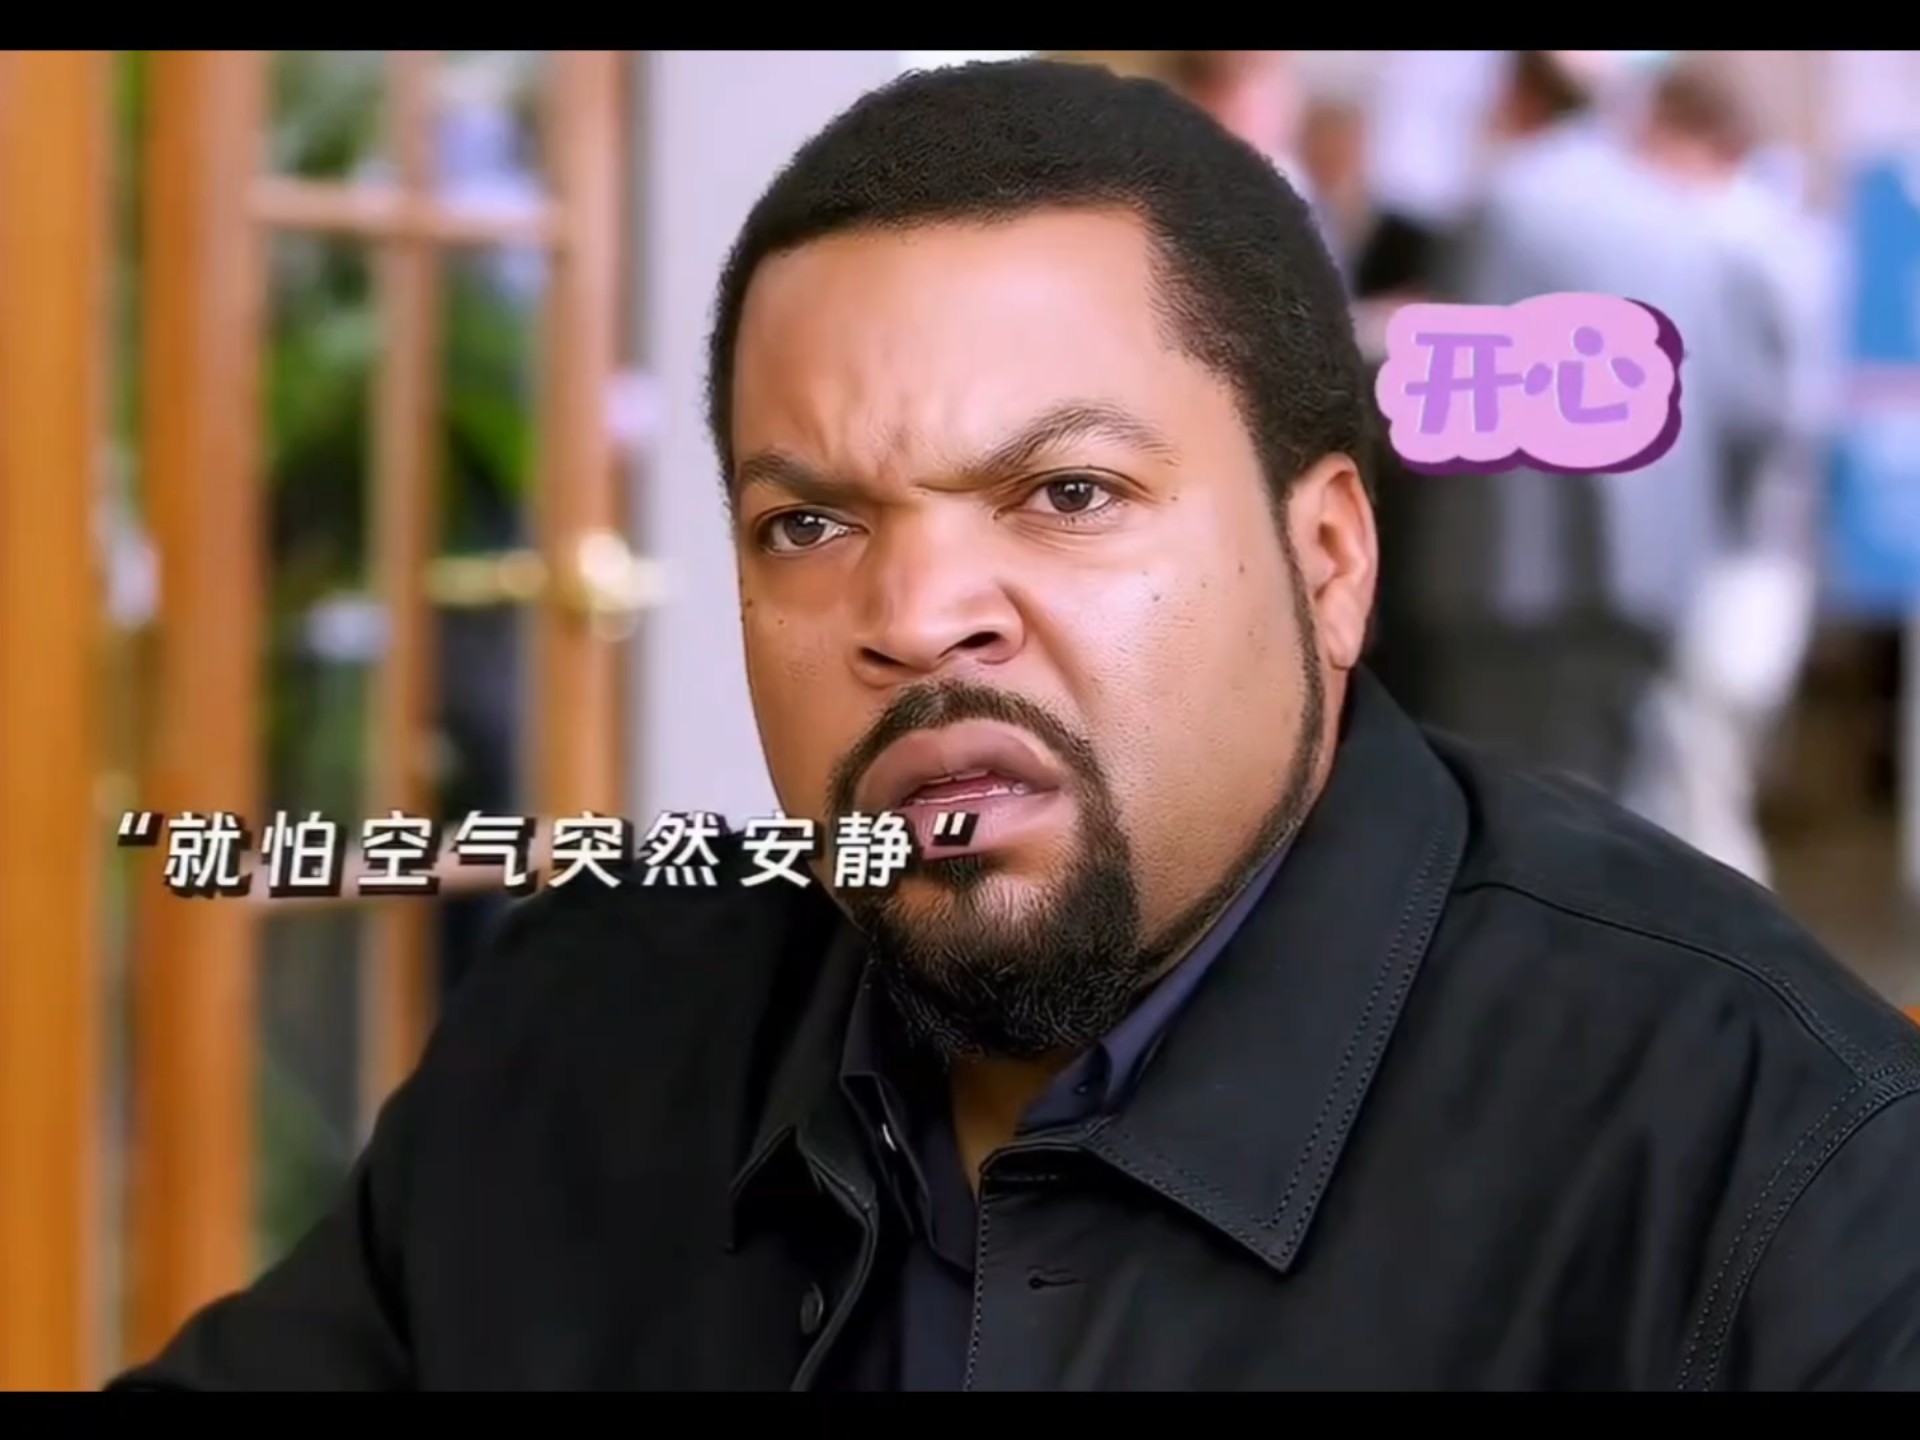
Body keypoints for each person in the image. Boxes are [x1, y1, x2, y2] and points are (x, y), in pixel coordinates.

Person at [111, 58, 1920, 1392]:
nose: (912, 618)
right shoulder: (585, 1026)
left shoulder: (1770, 1164)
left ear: (1328, 559)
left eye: (1065, 495)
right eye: (806, 526)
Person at [1401, 51, 1786, 806]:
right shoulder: (1678, 215)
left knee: (1505, 816)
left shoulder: (1507, 204)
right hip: (1650, 571)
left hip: (1507, 573)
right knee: (1621, 809)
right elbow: (1746, 410)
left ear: (1515, 93)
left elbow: (1443, 406)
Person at [1622, 59, 1833, 885]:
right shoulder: (1786, 231)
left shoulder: (1724, 240)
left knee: (1696, 776)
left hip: (1727, 549)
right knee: (1711, 772)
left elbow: (1748, 412)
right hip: (1771, 543)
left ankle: (1719, 946)